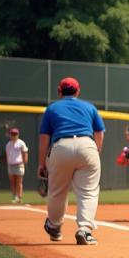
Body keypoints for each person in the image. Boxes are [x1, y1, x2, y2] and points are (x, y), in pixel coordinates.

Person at [38, 77, 105, 245]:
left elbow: (44, 138)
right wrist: (95, 151)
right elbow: (99, 132)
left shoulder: (52, 108)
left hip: (61, 146)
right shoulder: (89, 107)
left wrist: (42, 163)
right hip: (87, 145)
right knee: (88, 191)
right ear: (78, 91)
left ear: (59, 91)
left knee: (57, 191)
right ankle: (84, 229)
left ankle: (54, 226)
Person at [5, 128, 29, 203]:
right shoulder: (8, 144)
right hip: (11, 165)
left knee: (19, 181)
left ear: (18, 135)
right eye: (12, 134)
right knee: (12, 181)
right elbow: (7, 154)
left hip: (19, 164)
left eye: (15, 134)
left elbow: (25, 152)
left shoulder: (21, 143)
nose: (14, 136)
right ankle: (14, 196)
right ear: (10, 135)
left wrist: (24, 162)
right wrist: (8, 163)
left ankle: (19, 197)